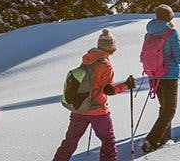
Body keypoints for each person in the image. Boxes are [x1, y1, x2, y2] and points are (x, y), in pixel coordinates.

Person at [51, 29, 135, 161]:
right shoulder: (106, 65)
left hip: (79, 107)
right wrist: (126, 85)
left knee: (70, 141)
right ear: (112, 48)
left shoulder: (87, 59)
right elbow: (109, 90)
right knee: (108, 141)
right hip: (98, 110)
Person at [142, 4, 180, 154]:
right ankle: (151, 140)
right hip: (169, 76)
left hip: (153, 75)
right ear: (169, 17)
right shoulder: (172, 33)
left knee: (164, 107)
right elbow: (178, 57)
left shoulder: (149, 33)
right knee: (170, 110)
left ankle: (165, 139)